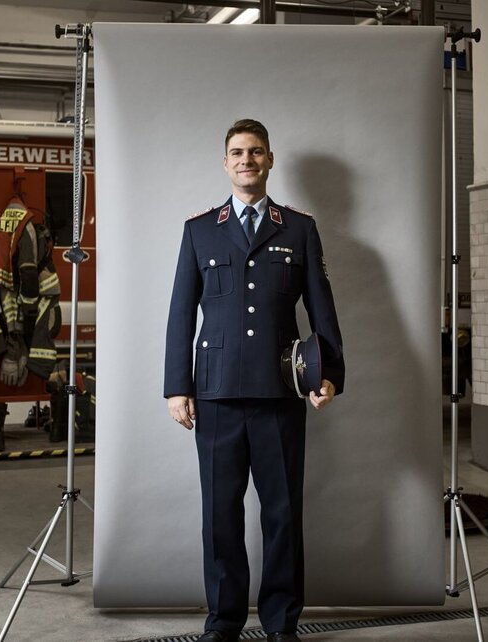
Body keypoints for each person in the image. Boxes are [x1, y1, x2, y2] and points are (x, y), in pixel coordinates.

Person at [164, 119, 345, 642]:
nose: (247, 160)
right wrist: (179, 385)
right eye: (237, 152)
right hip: (216, 394)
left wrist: (328, 374)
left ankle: (281, 623)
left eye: (256, 152)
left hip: (279, 394)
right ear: (226, 163)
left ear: (270, 160)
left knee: (283, 515)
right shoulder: (199, 229)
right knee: (220, 517)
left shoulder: (299, 228)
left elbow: (322, 311)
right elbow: (181, 314)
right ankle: (223, 623)